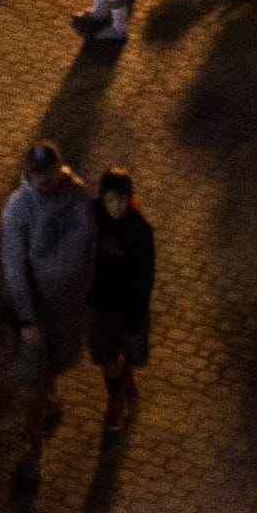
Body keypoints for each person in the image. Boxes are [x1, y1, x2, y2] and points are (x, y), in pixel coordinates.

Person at [0, 142, 99, 412]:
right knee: (37, 363)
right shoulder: (18, 210)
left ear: (59, 168)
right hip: (39, 305)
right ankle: (38, 410)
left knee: (65, 354)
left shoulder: (77, 194)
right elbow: (14, 266)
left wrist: (90, 281)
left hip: (73, 301)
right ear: (27, 174)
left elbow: (91, 240)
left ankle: (49, 387)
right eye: (36, 173)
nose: (43, 178)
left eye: (48, 171)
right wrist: (27, 318)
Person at [88, 167, 157, 402]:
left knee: (131, 354)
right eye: (111, 200)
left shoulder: (140, 231)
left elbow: (145, 276)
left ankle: (124, 382)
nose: (117, 206)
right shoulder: (92, 219)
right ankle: (116, 398)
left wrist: (135, 313)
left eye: (123, 200)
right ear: (102, 198)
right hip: (100, 305)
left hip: (128, 307)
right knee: (106, 357)